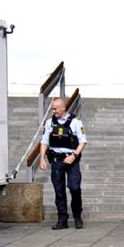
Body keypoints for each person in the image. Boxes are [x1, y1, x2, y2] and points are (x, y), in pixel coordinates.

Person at [38, 98, 87, 230]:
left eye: (55, 109)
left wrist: (73, 156)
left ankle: (77, 216)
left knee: (75, 188)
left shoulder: (76, 122)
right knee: (59, 191)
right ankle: (62, 220)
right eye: (52, 108)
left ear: (63, 108)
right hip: (57, 160)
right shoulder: (50, 123)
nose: (53, 111)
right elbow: (44, 141)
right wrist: (42, 158)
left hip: (72, 159)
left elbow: (82, 142)